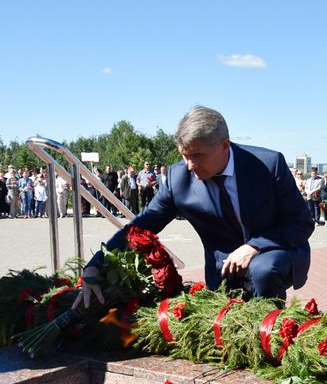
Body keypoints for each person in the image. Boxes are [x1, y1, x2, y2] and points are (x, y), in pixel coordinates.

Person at [78, 106, 314, 304]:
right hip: (223, 270)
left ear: (225, 145)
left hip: (276, 254)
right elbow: (141, 227)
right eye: (184, 155)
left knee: (262, 269)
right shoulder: (179, 180)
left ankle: (270, 328)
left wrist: (254, 246)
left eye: (198, 156)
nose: (190, 165)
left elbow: (301, 223)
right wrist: (96, 264)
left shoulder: (268, 165)